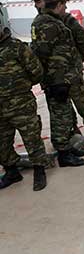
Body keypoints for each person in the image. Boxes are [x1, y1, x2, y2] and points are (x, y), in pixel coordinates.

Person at [33, 0, 84, 139]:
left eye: (38, 1)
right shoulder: (43, 22)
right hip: (57, 77)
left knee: (81, 100)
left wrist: (77, 60)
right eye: (35, 2)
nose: (37, 5)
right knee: (63, 106)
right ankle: (73, 133)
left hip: (70, 72)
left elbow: (82, 39)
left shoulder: (63, 19)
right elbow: (41, 51)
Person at [31, 0, 84, 167]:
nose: (65, 8)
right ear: (57, 5)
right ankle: (63, 153)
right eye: (64, 4)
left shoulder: (52, 21)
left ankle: (68, 148)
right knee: (60, 116)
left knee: (66, 114)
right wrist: (53, 80)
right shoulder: (45, 24)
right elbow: (41, 53)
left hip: (64, 78)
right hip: (57, 80)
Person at [0, 17, 48, 191]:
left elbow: (36, 72)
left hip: (21, 104)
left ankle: (39, 170)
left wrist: (19, 86)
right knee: (2, 142)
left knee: (31, 137)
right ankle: (12, 171)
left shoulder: (17, 47)